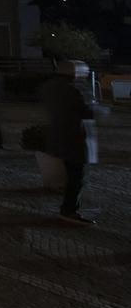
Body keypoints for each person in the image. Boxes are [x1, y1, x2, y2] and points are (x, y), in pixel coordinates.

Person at [44, 76, 96, 225]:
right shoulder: (74, 91)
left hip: (60, 139)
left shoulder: (51, 88)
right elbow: (87, 113)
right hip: (73, 140)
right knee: (76, 177)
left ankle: (67, 208)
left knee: (73, 175)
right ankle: (68, 211)